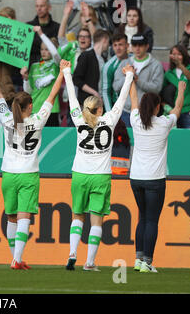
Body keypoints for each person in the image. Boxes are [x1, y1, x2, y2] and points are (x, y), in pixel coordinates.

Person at [0, 53, 67, 269]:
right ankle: (17, 259)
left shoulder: (6, 119)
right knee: (24, 217)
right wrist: (61, 73)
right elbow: (51, 97)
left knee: (11, 217)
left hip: (8, 174)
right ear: (30, 106)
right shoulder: (38, 121)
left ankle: (15, 258)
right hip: (28, 174)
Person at [62, 60, 135, 271]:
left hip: (79, 174)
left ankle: (72, 252)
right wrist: (129, 76)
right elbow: (121, 101)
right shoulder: (110, 120)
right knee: (97, 221)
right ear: (100, 108)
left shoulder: (79, 120)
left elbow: (72, 96)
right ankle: (90, 262)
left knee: (77, 215)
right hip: (101, 176)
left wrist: (67, 72)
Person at [129, 77, 186, 273]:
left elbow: (133, 99)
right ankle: (147, 262)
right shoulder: (163, 123)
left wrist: (132, 80)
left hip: (135, 179)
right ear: (157, 108)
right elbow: (177, 109)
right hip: (154, 179)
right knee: (152, 220)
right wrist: (181, 90)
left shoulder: (135, 120)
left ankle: (138, 260)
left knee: (142, 218)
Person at [113, 34, 164, 127]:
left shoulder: (156, 65)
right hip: (126, 111)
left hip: (147, 112)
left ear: (147, 46)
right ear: (131, 46)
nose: (137, 48)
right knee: (126, 141)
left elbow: (157, 89)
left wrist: (137, 80)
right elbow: (115, 87)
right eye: (134, 45)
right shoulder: (124, 63)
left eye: (140, 45)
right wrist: (129, 76)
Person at [21, 26, 61, 126]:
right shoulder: (34, 66)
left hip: (51, 109)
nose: (43, 52)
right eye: (42, 49)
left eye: (47, 49)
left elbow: (55, 53)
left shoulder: (56, 65)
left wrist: (41, 34)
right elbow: (28, 92)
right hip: (35, 109)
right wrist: (25, 79)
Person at [161, 45, 190, 129]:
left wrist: (180, 65)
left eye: (179, 54)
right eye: (173, 54)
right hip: (175, 112)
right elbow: (162, 93)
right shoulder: (168, 73)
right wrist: (167, 108)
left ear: (184, 55)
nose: (176, 57)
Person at [27, 0, 60, 65]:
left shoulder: (57, 27)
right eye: (37, 6)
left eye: (42, 6)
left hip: (51, 67)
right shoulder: (29, 26)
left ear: (49, 7)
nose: (39, 9)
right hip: (32, 66)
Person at [101, 33, 129, 112]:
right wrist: (110, 114)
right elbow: (106, 92)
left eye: (120, 44)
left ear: (127, 45)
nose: (118, 48)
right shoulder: (108, 66)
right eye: (115, 45)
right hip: (118, 109)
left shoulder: (134, 60)